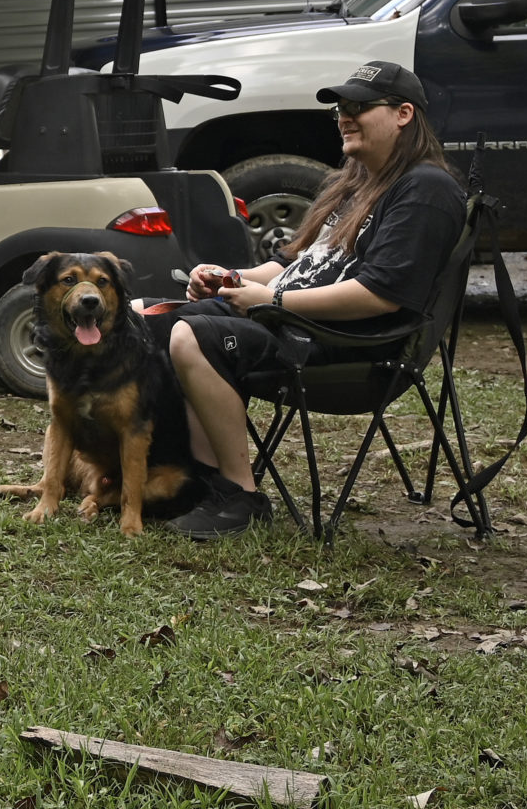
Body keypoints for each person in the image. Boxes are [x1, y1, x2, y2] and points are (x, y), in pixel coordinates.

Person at [160, 60, 465, 540]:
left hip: (347, 343)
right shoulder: (355, 183)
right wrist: (230, 278)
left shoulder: (425, 190)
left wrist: (275, 300)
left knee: (193, 334)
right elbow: (288, 265)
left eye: (359, 107)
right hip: (293, 318)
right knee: (153, 319)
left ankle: (238, 496)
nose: (344, 116)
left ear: (404, 113)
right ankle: (187, 481)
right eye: (341, 108)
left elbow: (380, 296)